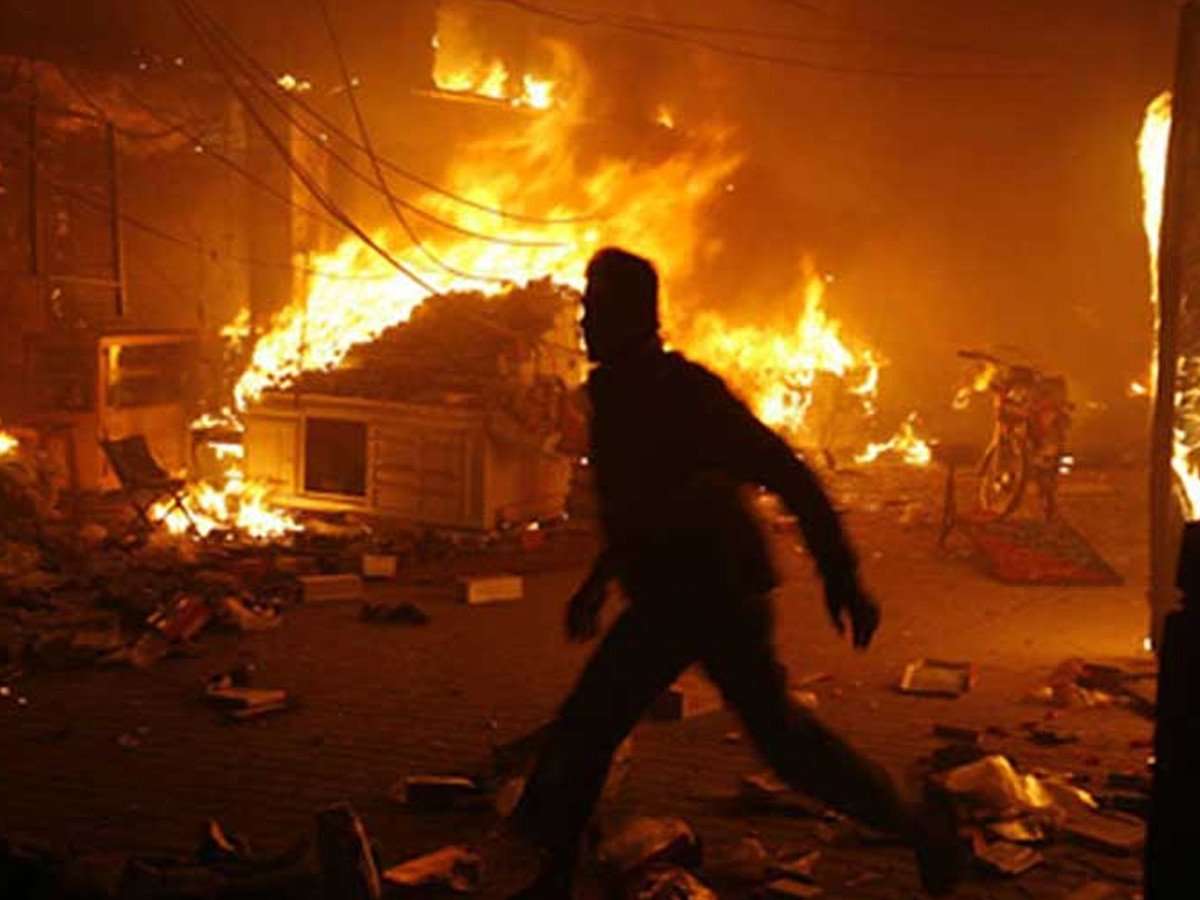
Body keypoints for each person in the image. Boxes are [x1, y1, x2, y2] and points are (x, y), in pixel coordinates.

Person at [509, 248, 961, 897]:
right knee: (596, 723)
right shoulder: (619, 395)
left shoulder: (683, 393)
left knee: (754, 737)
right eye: (585, 309)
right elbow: (639, 504)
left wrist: (841, 576)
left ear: (634, 316)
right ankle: (552, 876)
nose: (584, 324)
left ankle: (920, 826)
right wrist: (597, 582)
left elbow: (789, 474)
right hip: (671, 592)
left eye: (596, 310)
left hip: (716, 591)